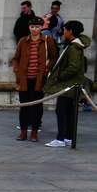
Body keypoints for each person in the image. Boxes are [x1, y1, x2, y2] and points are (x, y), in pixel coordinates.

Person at [10, 16, 57, 142]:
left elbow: (54, 57)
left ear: (41, 27)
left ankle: (35, 132)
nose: (34, 29)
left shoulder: (48, 40)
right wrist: (16, 69)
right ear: (29, 28)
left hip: (39, 80)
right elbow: (15, 58)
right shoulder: (22, 41)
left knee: (37, 107)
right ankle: (23, 132)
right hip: (24, 80)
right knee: (24, 107)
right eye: (32, 27)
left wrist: (47, 68)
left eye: (37, 27)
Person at [44, 20, 89, 148]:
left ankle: (61, 138)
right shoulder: (73, 45)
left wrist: (59, 76)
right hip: (71, 85)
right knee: (69, 112)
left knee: (62, 111)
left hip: (69, 85)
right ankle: (68, 137)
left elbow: (74, 67)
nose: (63, 32)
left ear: (70, 31)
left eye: (65, 30)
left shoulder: (74, 47)